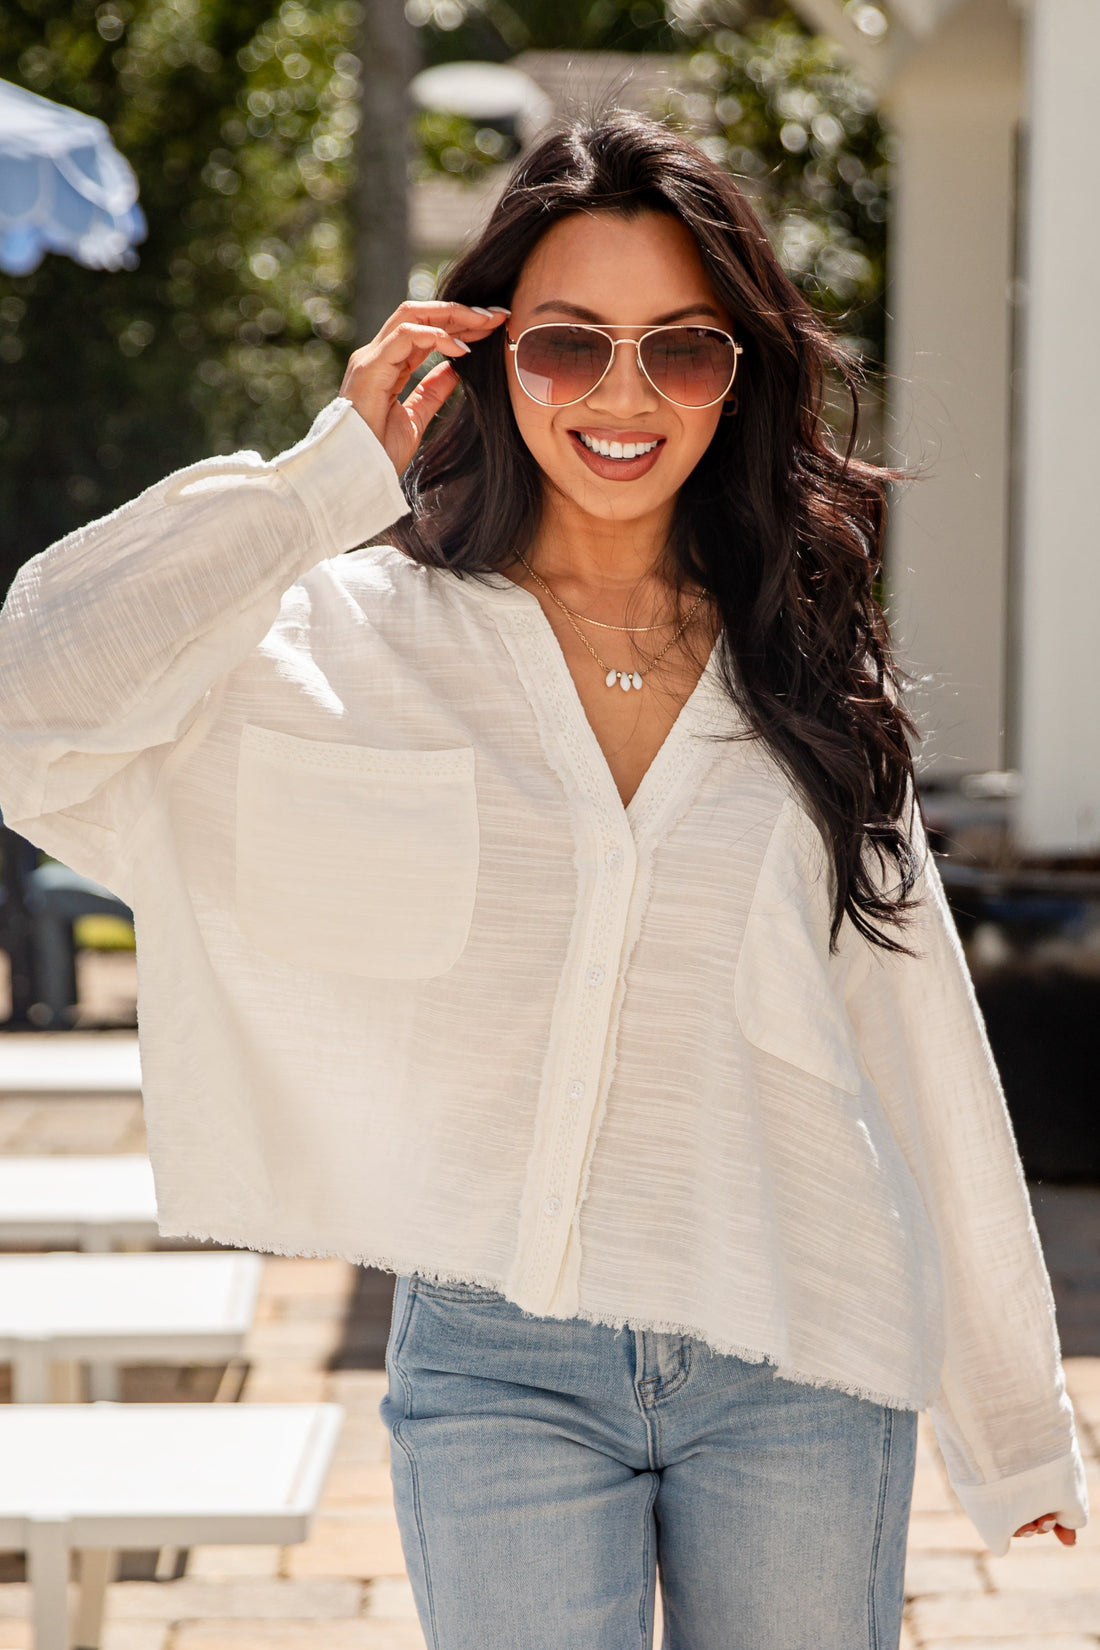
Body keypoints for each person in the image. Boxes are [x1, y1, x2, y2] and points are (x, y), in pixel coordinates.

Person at [0, 113, 1087, 1649]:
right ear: (490, 357)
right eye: (569, 346)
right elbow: (29, 697)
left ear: (743, 373)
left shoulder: (804, 670)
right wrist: (328, 478)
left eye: (684, 352)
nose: (624, 398)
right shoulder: (354, 641)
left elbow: (914, 1048)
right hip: (498, 1362)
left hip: (800, 1346)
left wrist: (1009, 1416)